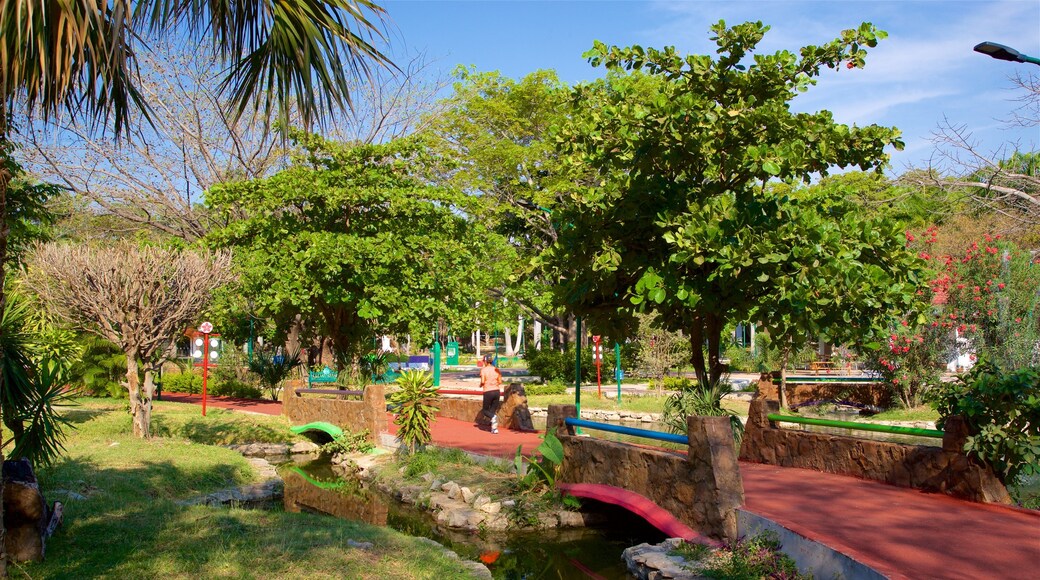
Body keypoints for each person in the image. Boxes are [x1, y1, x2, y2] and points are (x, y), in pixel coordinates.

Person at [479, 354, 503, 434]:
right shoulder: (496, 369)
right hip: (496, 391)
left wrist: (481, 385)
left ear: (485, 361)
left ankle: (493, 417)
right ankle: (494, 429)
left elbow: (482, 381)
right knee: (492, 410)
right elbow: (500, 381)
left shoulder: (483, 370)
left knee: (485, 410)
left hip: (488, 391)